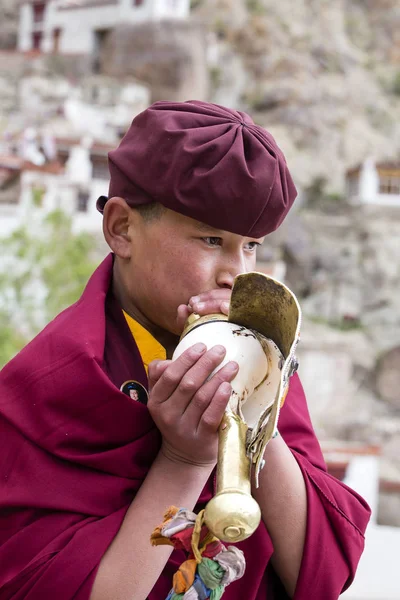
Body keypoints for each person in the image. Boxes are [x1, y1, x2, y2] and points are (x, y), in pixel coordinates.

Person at [0, 100, 370, 600]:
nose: (235, 274)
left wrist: (258, 414)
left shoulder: (257, 355)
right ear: (122, 228)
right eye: (211, 239)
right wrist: (183, 460)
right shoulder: (52, 381)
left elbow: (321, 570)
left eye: (251, 246)